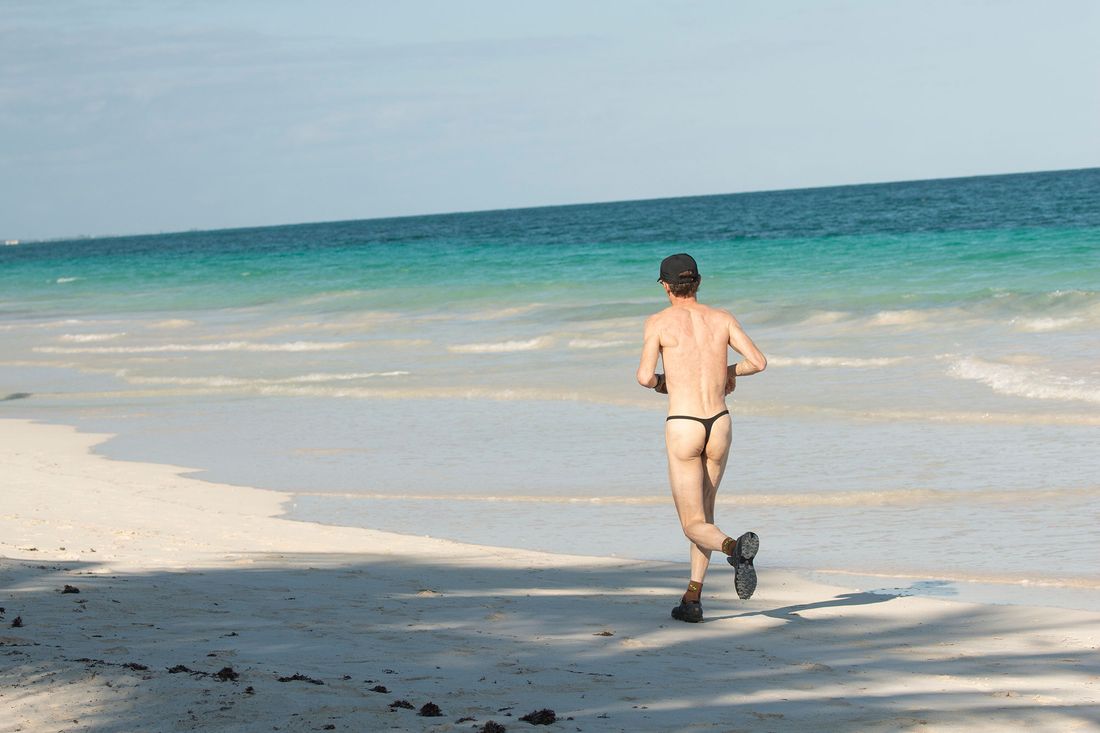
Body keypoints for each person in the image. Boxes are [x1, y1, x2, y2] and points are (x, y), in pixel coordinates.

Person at [636, 253, 767, 623]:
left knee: (692, 524)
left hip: (684, 423)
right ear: (698, 283)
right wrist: (728, 370)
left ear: (665, 286)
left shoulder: (658, 323)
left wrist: (665, 383)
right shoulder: (721, 318)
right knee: (706, 514)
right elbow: (758, 362)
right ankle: (692, 599)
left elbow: (645, 377)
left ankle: (734, 547)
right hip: (720, 421)